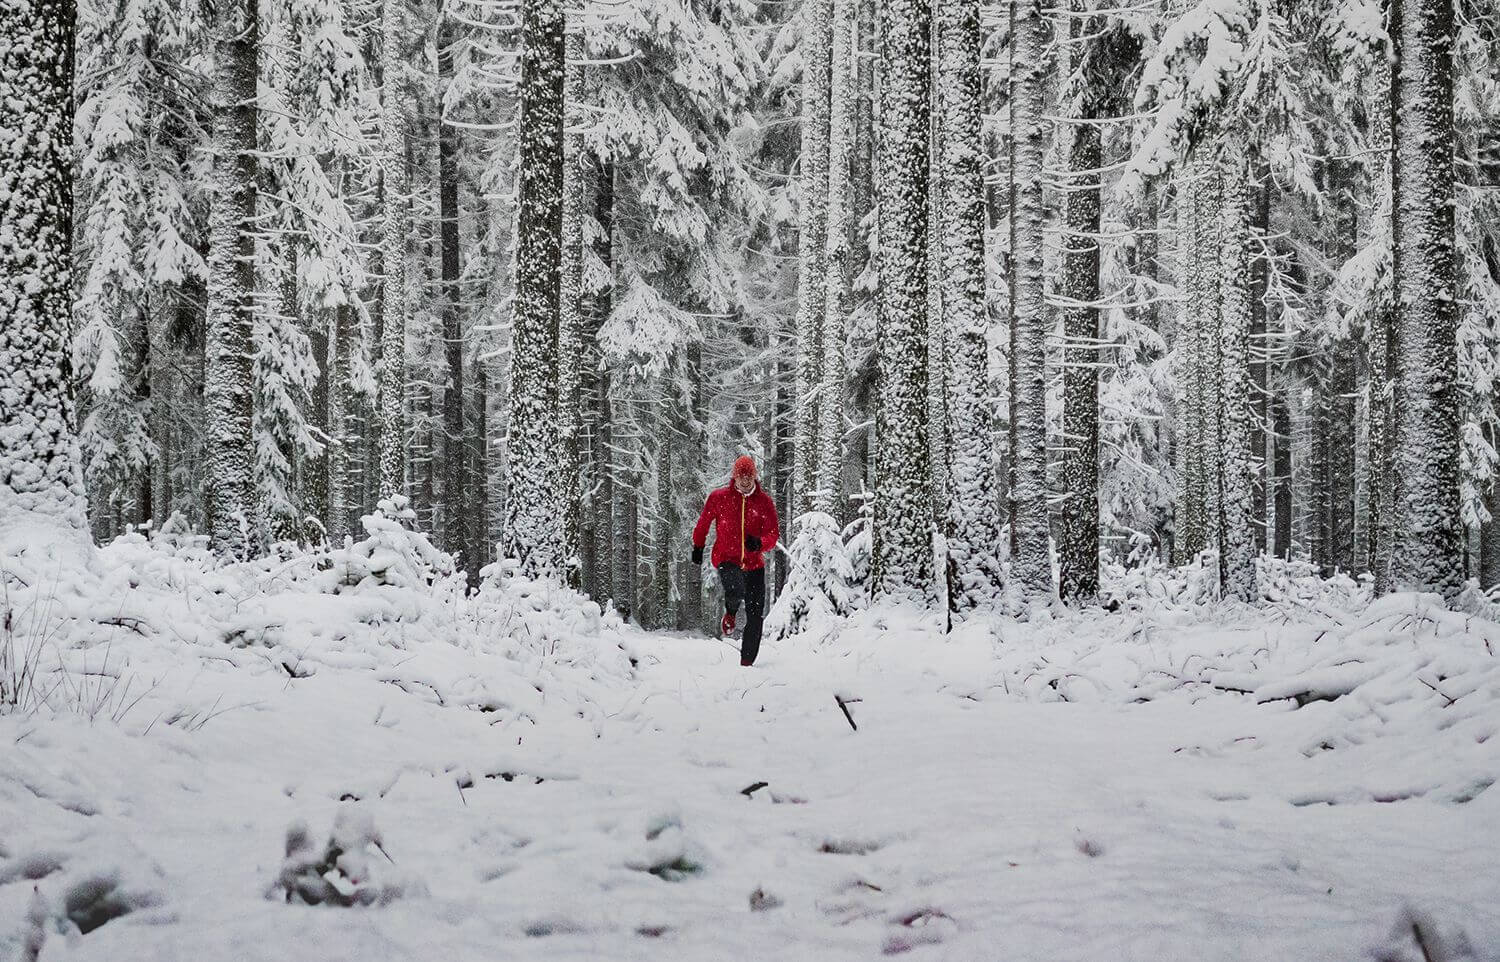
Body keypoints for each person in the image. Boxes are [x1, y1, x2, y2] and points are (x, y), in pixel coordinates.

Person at [691, 455, 780, 667]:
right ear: (735, 476)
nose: (745, 480)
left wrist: (759, 543)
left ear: (755, 476)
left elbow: (773, 533)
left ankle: (746, 663)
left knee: (755, 615)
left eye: (749, 476)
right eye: (741, 476)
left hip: (754, 566)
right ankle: (730, 612)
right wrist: (698, 546)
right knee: (736, 589)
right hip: (727, 559)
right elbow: (703, 523)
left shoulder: (764, 502)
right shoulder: (719, 497)